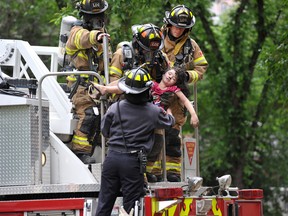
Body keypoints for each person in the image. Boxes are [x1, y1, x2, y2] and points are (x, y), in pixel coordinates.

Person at [95, 67, 175, 216]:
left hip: (111, 160)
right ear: (146, 91)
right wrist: (168, 109)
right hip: (132, 163)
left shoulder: (114, 107)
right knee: (131, 207)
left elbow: (105, 132)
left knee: (104, 203)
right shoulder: (154, 111)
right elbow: (170, 122)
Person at [148, 5, 209, 182]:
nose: (178, 29)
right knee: (155, 133)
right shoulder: (156, 38)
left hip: (176, 97)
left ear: (187, 29)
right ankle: (154, 171)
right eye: (175, 25)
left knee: (173, 135)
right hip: (155, 94)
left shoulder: (191, 46)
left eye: (182, 27)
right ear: (168, 24)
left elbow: (201, 67)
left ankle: (173, 172)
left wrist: (187, 76)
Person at [64, 0, 111, 164]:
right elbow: (82, 38)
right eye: (93, 16)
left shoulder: (103, 34)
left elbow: (106, 63)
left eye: (99, 15)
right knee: (89, 114)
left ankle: (104, 151)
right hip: (81, 88)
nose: (97, 19)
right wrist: (96, 36)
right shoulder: (76, 32)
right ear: (85, 16)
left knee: (107, 118)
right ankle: (80, 153)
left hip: (99, 86)